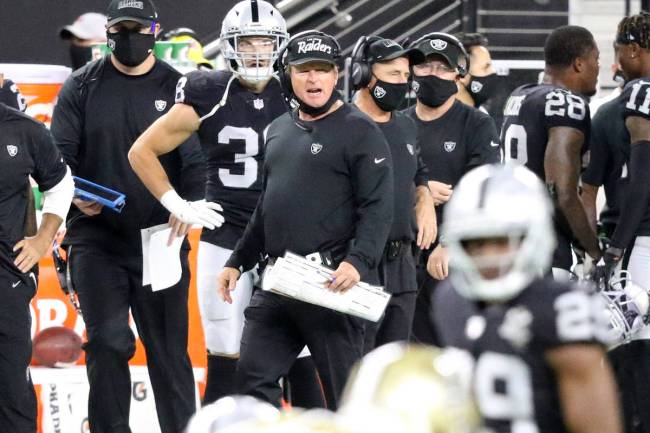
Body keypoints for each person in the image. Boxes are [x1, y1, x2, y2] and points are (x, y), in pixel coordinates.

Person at [128, 0, 326, 407]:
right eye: (248, 43)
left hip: (288, 240)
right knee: (224, 353)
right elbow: (141, 151)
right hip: (226, 236)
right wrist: (176, 202)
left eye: (266, 43)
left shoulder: (298, 93)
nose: (257, 52)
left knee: (304, 355)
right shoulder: (208, 92)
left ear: (281, 47)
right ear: (229, 46)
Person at [50, 1, 206, 432]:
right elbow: (57, 160)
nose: (129, 36)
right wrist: (74, 195)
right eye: (121, 28)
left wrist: (187, 208)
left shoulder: (181, 87)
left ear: (156, 31)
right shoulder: (82, 86)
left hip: (161, 236)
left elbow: (197, 161)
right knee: (107, 342)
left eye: (138, 27)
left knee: (170, 354)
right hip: (97, 238)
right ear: (109, 33)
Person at [216, 30, 393, 409]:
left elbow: (378, 207)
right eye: (304, 70)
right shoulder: (279, 129)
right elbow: (267, 206)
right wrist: (237, 260)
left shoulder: (361, 132)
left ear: (336, 76)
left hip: (332, 284)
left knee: (346, 400)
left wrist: (357, 261)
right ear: (287, 75)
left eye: (323, 70)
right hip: (279, 281)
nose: (314, 79)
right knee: (252, 384)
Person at [433, 164, 622, 433]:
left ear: (534, 236)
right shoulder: (451, 299)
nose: (490, 255)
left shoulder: (564, 307)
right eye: (476, 242)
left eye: (503, 240)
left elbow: (597, 426)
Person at [404, 32, 501, 345]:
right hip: (403, 260)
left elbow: (480, 191)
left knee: (458, 353)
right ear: (412, 71)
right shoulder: (398, 122)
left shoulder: (476, 124)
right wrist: (420, 189)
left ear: (459, 74)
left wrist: (448, 244)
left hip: (455, 261)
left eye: (442, 68)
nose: (433, 74)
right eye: (426, 66)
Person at [347, 36, 434, 350]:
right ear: (363, 75)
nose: (404, 82)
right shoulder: (339, 125)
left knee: (394, 365)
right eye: (394, 74)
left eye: (406, 75)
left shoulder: (405, 126)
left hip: (402, 265)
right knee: (357, 370)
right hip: (357, 264)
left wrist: (424, 198)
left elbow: (417, 168)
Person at [501, 25, 601, 278]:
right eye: (596, 59)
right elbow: (562, 192)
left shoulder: (521, 94)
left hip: (509, 237)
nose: (598, 67)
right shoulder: (566, 103)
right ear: (579, 64)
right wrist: (593, 249)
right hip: (545, 247)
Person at [0, 100, 74, 433]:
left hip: (6, 275)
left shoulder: (25, 130)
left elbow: (60, 184)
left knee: (11, 386)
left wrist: (43, 239)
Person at [600, 12, 650, 433]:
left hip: (642, 244)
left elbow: (642, 176)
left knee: (632, 345)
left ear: (632, 50)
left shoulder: (639, 94)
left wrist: (616, 244)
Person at [454, 32, 499, 111]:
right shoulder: (440, 118)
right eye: (486, 67)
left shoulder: (478, 113)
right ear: (460, 76)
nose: (493, 71)